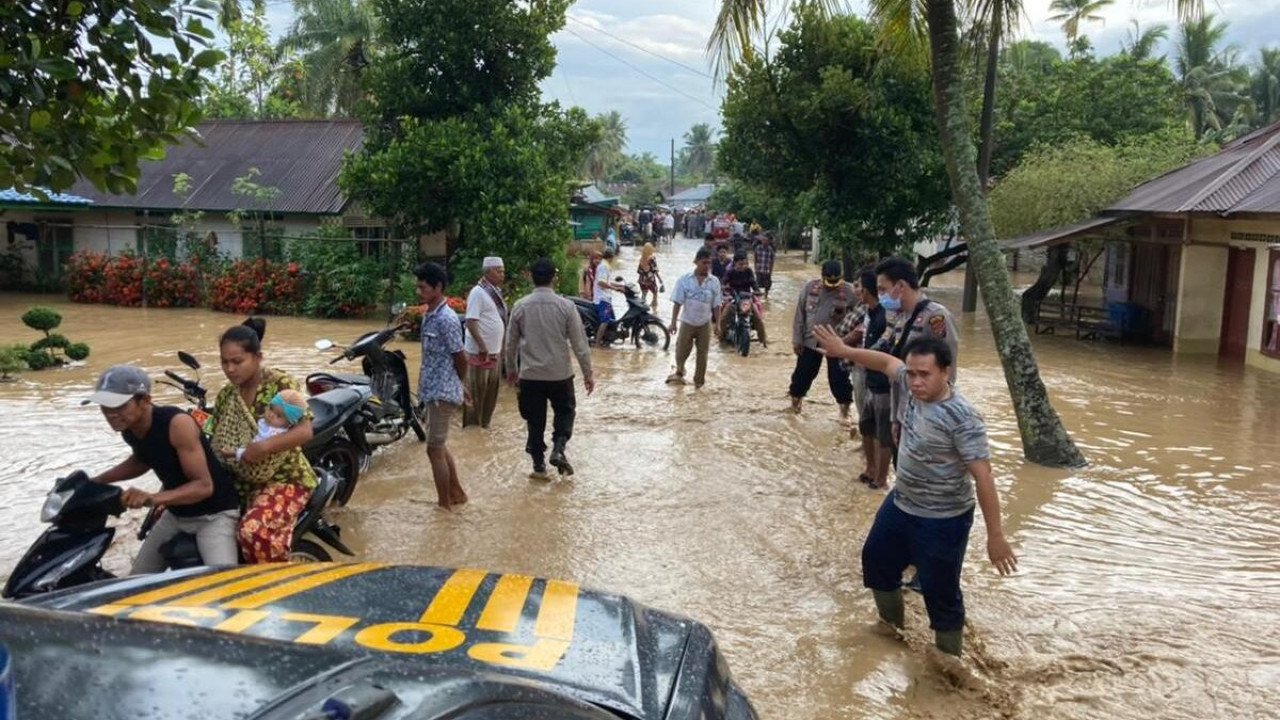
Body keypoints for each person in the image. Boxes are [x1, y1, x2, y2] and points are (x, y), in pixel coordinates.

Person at [813, 329, 1018, 657]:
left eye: (925, 374)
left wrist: (996, 536)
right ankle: (892, 632)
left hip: (944, 518)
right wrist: (843, 350)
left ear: (945, 373)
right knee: (876, 561)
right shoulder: (907, 387)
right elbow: (885, 362)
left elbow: (984, 477)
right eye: (912, 373)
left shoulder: (962, 417)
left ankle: (948, 665)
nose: (916, 381)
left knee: (941, 594)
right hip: (903, 501)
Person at [85, 364, 240, 573]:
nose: (111, 414)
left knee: (222, 585)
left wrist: (152, 498)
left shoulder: (177, 424)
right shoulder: (129, 427)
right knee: (135, 583)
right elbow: (142, 460)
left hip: (214, 515)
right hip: (177, 514)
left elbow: (203, 486)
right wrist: (96, 481)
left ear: (145, 401)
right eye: (105, 406)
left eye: (119, 406)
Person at [207, 319, 316, 563]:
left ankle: (273, 588)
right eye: (224, 362)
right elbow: (216, 437)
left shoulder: (280, 385)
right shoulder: (226, 395)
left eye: (237, 361)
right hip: (240, 478)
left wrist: (263, 447)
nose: (230, 369)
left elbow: (305, 431)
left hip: (284, 478)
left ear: (258, 357)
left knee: (253, 532)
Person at [505, 258, 596, 479]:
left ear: (531, 277)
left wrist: (511, 371)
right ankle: (559, 448)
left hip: (530, 375)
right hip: (560, 374)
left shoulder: (520, 306)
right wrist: (588, 373)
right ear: (554, 278)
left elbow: (510, 344)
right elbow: (579, 344)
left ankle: (538, 467)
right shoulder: (566, 306)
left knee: (535, 420)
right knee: (565, 413)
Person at [415, 262, 469, 510]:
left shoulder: (446, 318)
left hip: (442, 393)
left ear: (438, 287)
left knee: (434, 449)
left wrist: (461, 384)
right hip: (433, 390)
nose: (419, 291)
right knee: (439, 446)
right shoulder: (431, 313)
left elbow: (460, 356)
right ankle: (456, 494)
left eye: (423, 287)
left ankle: (444, 505)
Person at [789, 259, 857, 418]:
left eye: (836, 281)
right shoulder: (809, 288)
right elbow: (800, 315)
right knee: (802, 376)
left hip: (837, 343)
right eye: (829, 281)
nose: (831, 284)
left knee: (839, 380)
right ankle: (794, 407)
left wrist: (851, 344)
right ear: (822, 276)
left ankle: (844, 413)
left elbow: (859, 318)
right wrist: (796, 339)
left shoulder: (850, 292)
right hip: (810, 341)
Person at [846, 270, 893, 489]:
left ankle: (882, 478)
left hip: (883, 384)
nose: (857, 292)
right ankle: (870, 468)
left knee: (884, 434)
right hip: (869, 379)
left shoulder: (885, 316)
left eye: (859, 288)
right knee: (866, 425)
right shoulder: (869, 313)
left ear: (865, 290)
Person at [667, 247, 722, 388]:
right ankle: (680, 369)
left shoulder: (714, 282)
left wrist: (718, 325)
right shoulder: (684, 280)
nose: (707, 266)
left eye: (709, 263)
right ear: (696, 262)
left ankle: (699, 383)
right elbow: (678, 302)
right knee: (681, 350)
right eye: (704, 263)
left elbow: (716, 306)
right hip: (687, 321)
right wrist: (673, 322)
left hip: (705, 323)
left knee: (702, 354)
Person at [463, 256, 507, 429]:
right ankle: (472, 430)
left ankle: (485, 427)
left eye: (503, 271)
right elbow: (471, 321)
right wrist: (482, 346)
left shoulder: (495, 292)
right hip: (479, 353)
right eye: (498, 271)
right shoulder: (478, 292)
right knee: (475, 394)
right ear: (487, 272)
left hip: (494, 353)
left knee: (491, 393)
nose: (502, 274)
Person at [224, 389, 308, 462]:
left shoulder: (276, 434)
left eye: (278, 416)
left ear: (289, 423)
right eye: (271, 409)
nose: (271, 415)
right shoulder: (265, 422)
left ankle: (232, 454)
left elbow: (257, 451)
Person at [717, 250, 767, 346]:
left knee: (758, 318)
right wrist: (724, 289)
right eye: (740, 264)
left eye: (745, 264)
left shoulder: (749, 271)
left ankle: (763, 341)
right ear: (735, 263)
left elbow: (753, 283)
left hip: (747, 300)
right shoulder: (730, 272)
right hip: (734, 299)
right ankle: (721, 337)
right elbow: (723, 282)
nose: (743, 266)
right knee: (723, 318)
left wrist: (757, 291)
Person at [593, 257, 627, 347]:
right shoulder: (604, 267)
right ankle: (597, 344)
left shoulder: (605, 266)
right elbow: (601, 282)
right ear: (611, 258)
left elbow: (608, 282)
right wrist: (615, 288)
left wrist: (621, 286)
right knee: (605, 321)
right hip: (602, 299)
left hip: (606, 298)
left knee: (613, 320)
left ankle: (607, 340)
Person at [637, 242, 664, 309]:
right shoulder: (652, 258)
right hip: (650, 279)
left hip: (642, 280)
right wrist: (660, 279)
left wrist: (641, 278)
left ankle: (641, 307)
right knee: (655, 292)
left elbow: (639, 271)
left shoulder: (641, 259)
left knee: (644, 294)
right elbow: (655, 270)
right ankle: (654, 310)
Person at [752, 232, 777, 300]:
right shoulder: (758, 248)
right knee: (758, 284)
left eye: (766, 240)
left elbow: (772, 261)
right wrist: (755, 268)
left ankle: (766, 297)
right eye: (763, 240)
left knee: (767, 285)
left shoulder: (770, 250)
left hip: (767, 270)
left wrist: (771, 271)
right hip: (759, 269)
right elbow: (755, 258)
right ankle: (758, 297)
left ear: (769, 241)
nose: (764, 241)